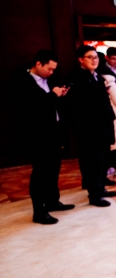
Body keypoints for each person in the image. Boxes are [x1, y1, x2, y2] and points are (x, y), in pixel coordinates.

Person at [11, 50, 74, 224]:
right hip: (36, 135)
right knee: (40, 173)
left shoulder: (49, 81)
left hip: (54, 132)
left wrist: (60, 95)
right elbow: (33, 108)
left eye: (54, 69)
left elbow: (51, 105)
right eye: (49, 69)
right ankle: (39, 211)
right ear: (38, 64)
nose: (51, 72)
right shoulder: (22, 81)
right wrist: (53, 95)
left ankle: (53, 201)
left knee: (53, 170)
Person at [68, 45, 116, 206]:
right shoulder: (76, 77)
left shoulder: (97, 76)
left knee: (103, 159)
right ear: (80, 59)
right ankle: (94, 195)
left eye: (96, 57)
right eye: (90, 57)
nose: (94, 60)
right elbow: (78, 106)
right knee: (92, 161)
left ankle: (100, 188)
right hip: (89, 127)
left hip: (103, 124)